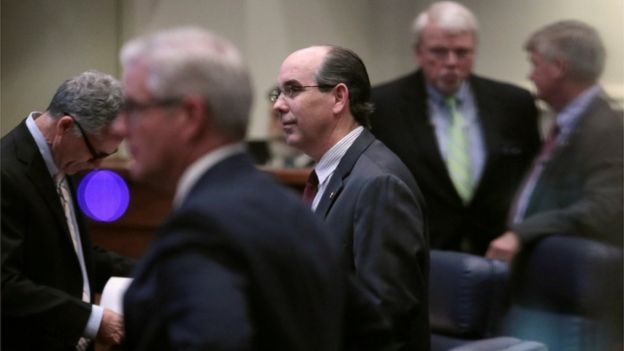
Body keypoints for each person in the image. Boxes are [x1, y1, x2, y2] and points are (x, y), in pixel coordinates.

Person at [112, 27, 349, 351]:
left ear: (190, 116)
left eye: (135, 108)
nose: (121, 126)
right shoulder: (292, 209)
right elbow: (370, 333)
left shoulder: (202, 229)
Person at [272, 45, 430, 351]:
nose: (278, 105)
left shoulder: (379, 183)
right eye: (277, 93)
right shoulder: (333, 174)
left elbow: (386, 319)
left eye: (292, 90)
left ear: (339, 98)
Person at [370, 1, 541, 254]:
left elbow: (532, 178)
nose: (451, 62)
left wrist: (521, 234)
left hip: (496, 253)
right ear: (419, 52)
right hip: (417, 253)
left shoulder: (514, 103)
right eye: (438, 52)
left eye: (462, 53)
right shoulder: (382, 105)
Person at [1, 70, 135, 351]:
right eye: (97, 154)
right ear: (64, 127)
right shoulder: (6, 173)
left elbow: (72, 256)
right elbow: (5, 286)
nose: (97, 166)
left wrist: (146, 272)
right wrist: (93, 320)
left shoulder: (64, 161)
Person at [486, 20, 623, 262]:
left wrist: (522, 234)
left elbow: (603, 207)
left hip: (571, 279)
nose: (530, 75)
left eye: (535, 64)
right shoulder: (568, 121)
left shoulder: (608, 128)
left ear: (559, 67)